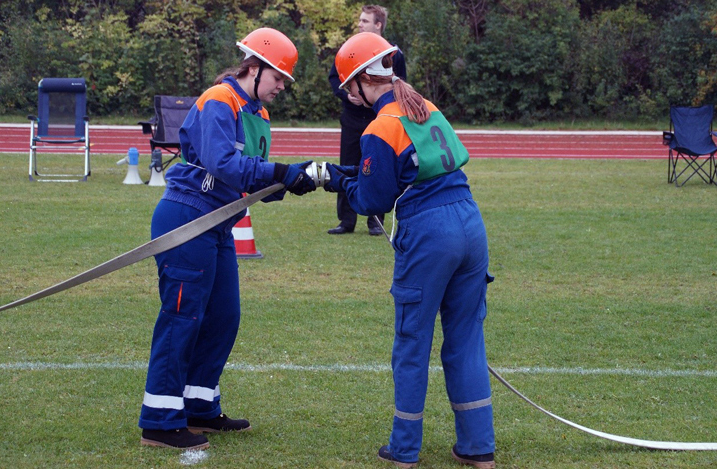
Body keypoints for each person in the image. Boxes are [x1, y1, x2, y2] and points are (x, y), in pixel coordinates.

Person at [138, 27, 316, 450]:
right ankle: (160, 421)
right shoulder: (220, 99)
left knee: (223, 316)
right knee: (182, 317)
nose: (281, 89)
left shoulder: (260, 113)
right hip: (188, 217)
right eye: (278, 79)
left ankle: (200, 406)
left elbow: (250, 178)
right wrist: (278, 173)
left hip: (219, 223)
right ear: (254, 67)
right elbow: (223, 164)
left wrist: (294, 180)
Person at [324, 32, 496, 468]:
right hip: (470, 222)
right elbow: (413, 166)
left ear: (364, 79)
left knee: (412, 343)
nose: (350, 96)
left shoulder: (378, 126)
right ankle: (478, 449)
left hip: (430, 231)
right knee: (466, 341)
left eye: (349, 87)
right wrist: (355, 173)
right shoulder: (427, 107)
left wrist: (337, 179)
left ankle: (403, 451)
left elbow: (372, 202)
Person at [327, 4, 406, 236]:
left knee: (377, 167)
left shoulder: (393, 54)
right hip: (352, 119)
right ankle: (346, 221)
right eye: (360, 20)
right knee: (347, 166)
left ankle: (376, 221)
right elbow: (334, 78)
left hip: (378, 119)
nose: (359, 24)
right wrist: (348, 95)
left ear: (378, 25)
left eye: (365, 21)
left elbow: (400, 83)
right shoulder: (349, 49)